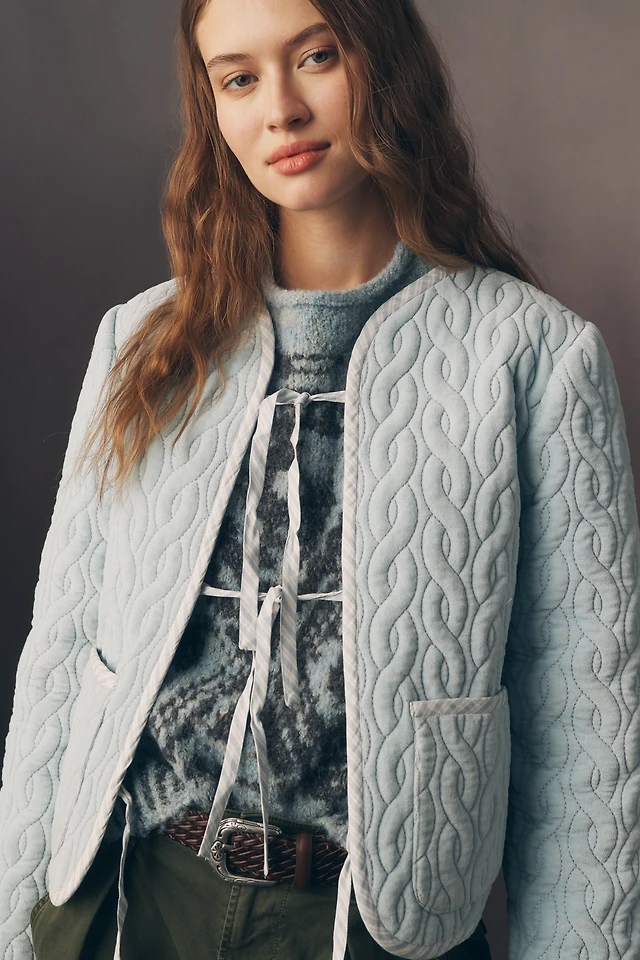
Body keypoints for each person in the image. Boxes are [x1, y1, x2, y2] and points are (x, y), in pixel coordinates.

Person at [1, 0, 639, 957]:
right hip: (125, 896)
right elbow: (59, 658)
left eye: (317, 57)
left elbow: (587, 730)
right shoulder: (138, 341)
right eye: (239, 78)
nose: (281, 110)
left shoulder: (534, 356)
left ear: (385, 63)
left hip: (373, 923)